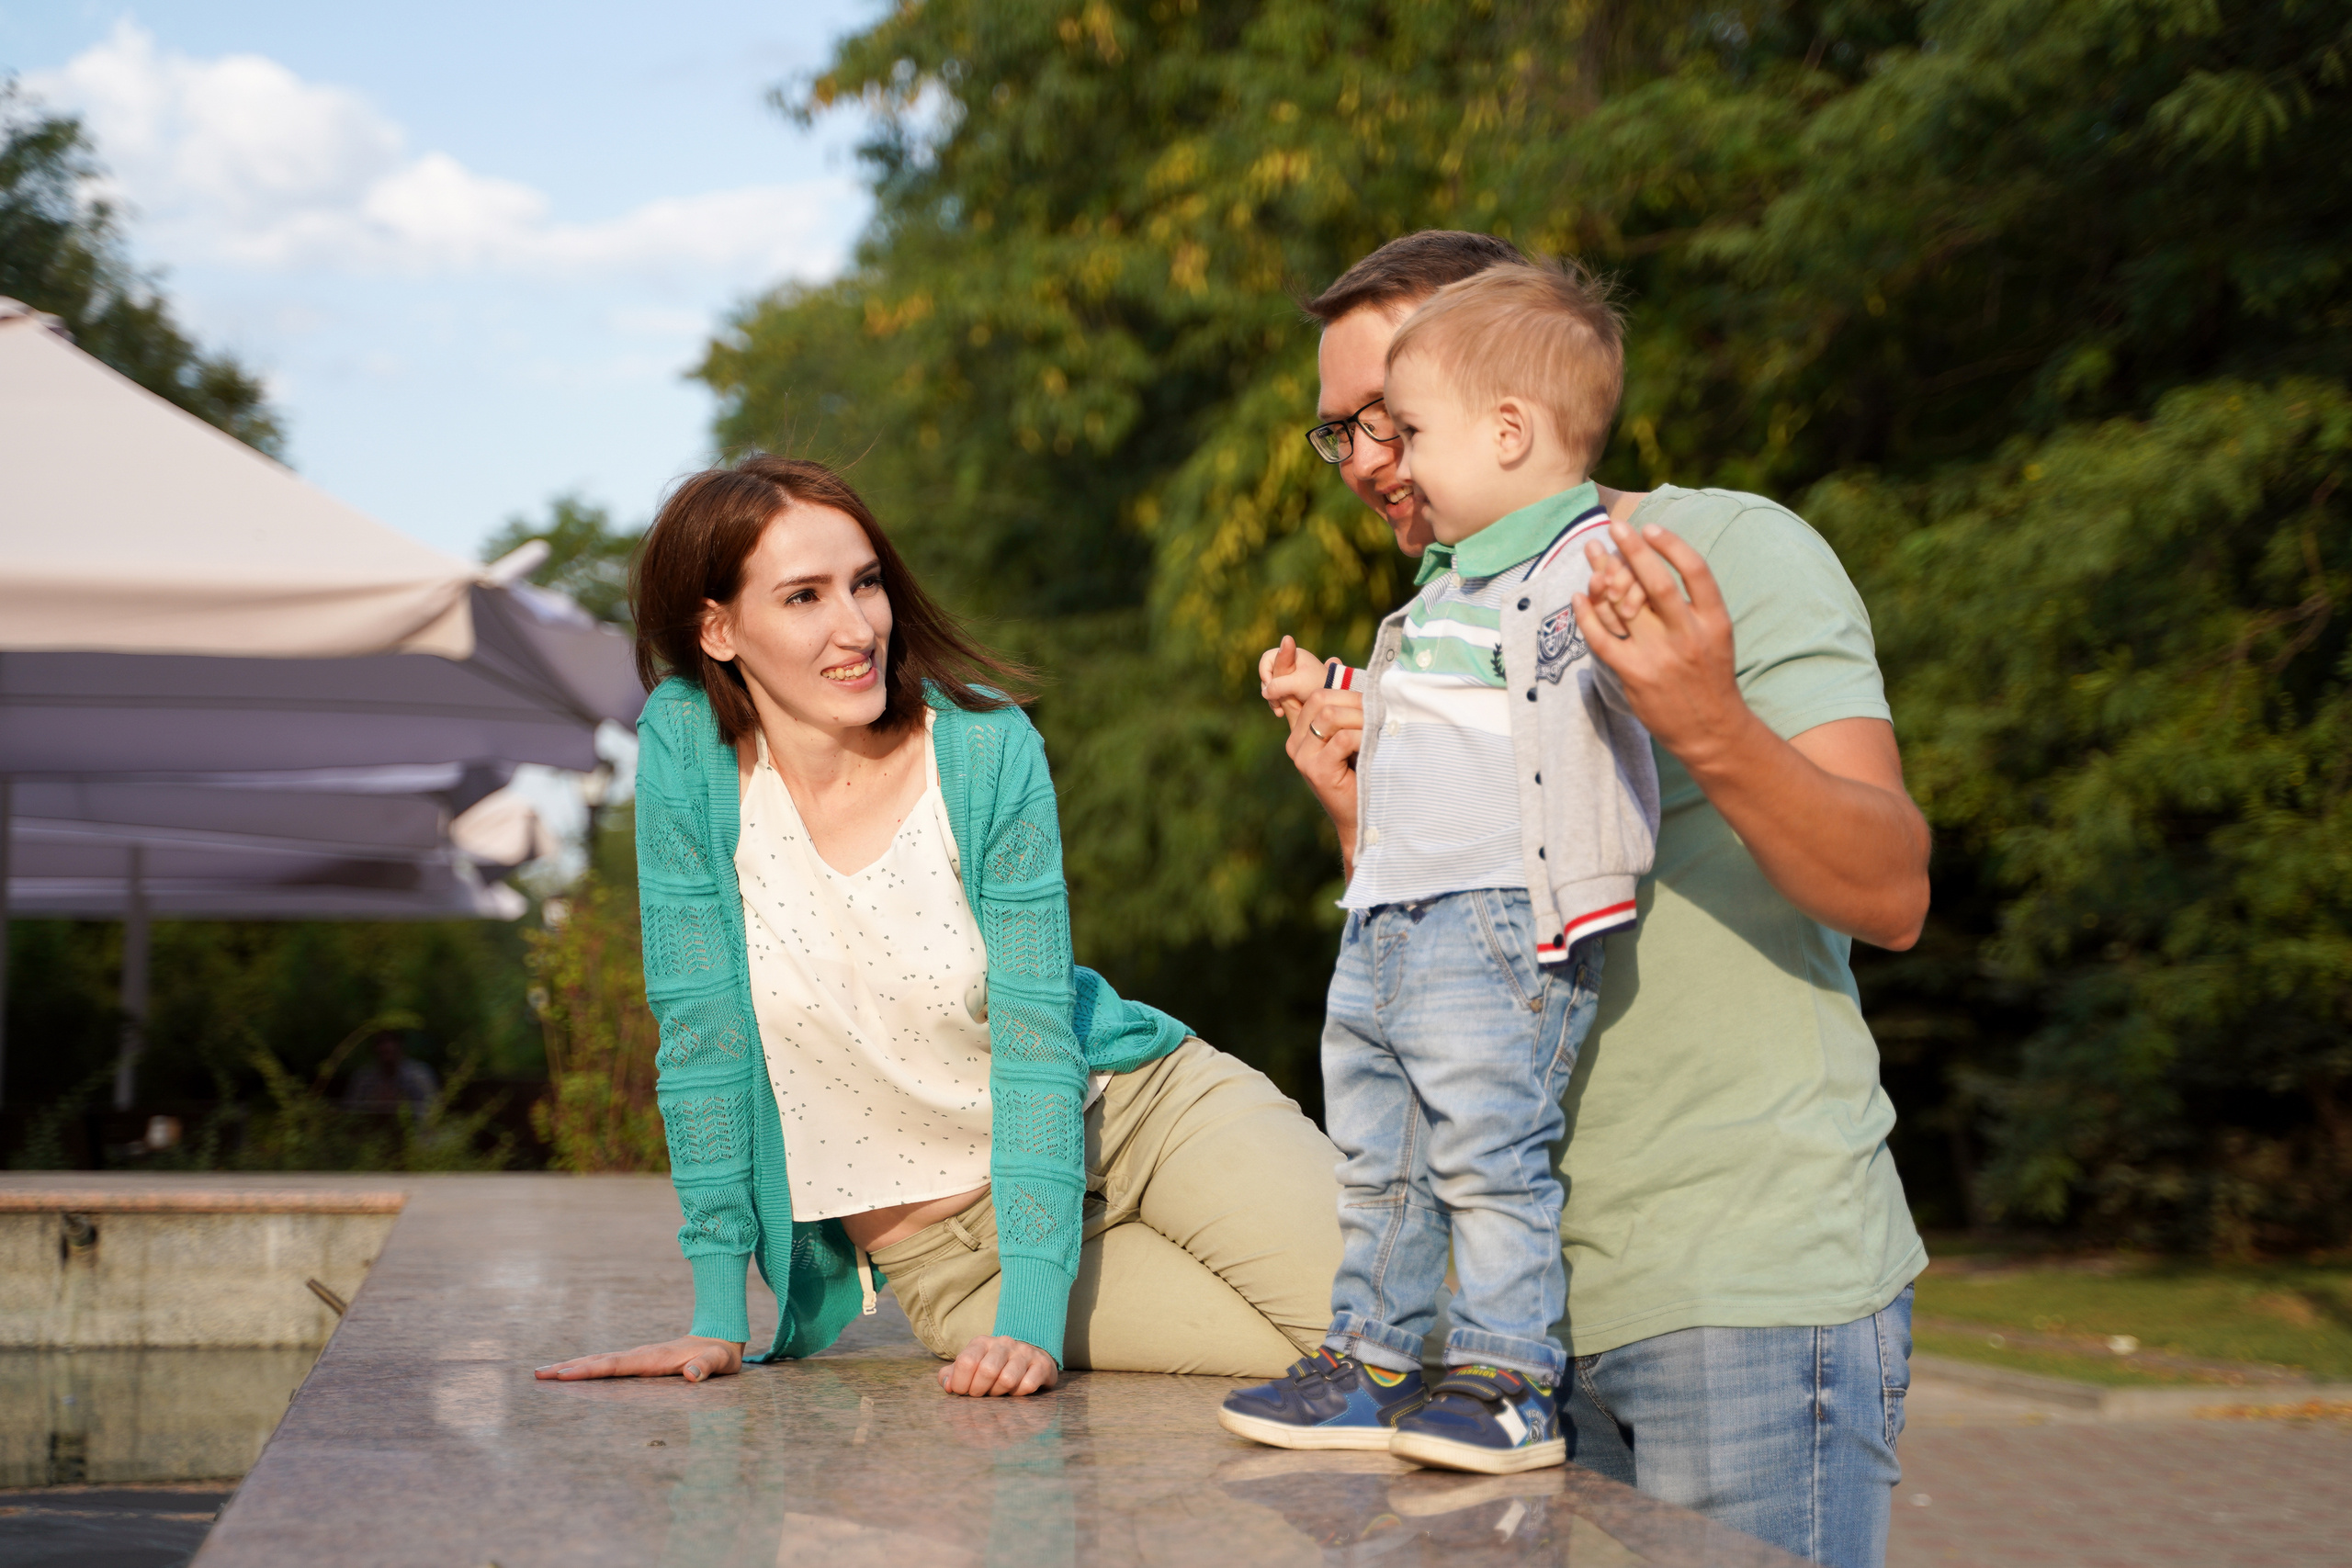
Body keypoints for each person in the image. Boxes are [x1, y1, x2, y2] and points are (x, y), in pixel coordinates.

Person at [1268, 232, 1932, 1568]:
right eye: (1339, 426)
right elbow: (1462, 969)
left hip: (1732, 1287)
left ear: (1503, 401)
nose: (1360, 458)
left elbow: (1891, 886)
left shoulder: (1710, 546)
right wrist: (1361, 809)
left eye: (1389, 413)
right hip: (1499, 1327)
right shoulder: (1452, 620)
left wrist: (1709, 719)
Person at [535, 457, 1341, 1397]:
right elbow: (700, 1034)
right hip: (954, 1264)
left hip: (1136, 1117)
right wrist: (717, 1316)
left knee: (1407, 1334)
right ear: (718, 629)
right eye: (803, 597)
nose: (856, 627)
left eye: (866, 583)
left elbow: (1038, 1036)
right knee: (1332, 1358)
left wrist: (1034, 1325)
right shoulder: (687, 752)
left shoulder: (986, 750)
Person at [1219, 262, 1659, 1476]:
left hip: (1497, 917)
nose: (1385, 461)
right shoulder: (1447, 590)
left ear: (1509, 431)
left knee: (1483, 1150)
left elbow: (1606, 689)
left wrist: (1638, 641)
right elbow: (1449, 721)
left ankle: (1512, 1373)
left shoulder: (1580, 566)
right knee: (1380, 1152)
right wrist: (1339, 696)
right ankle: (1371, 1357)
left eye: (1410, 431)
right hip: (1392, 919)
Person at [341, 1031, 437, 1116]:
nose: (386, 1047)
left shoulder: (419, 1074)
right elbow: (349, 1111)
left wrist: (400, 1105)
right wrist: (373, 1105)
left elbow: (434, 1109)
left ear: (401, 1045)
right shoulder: (363, 1077)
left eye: (391, 1041)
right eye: (380, 1043)